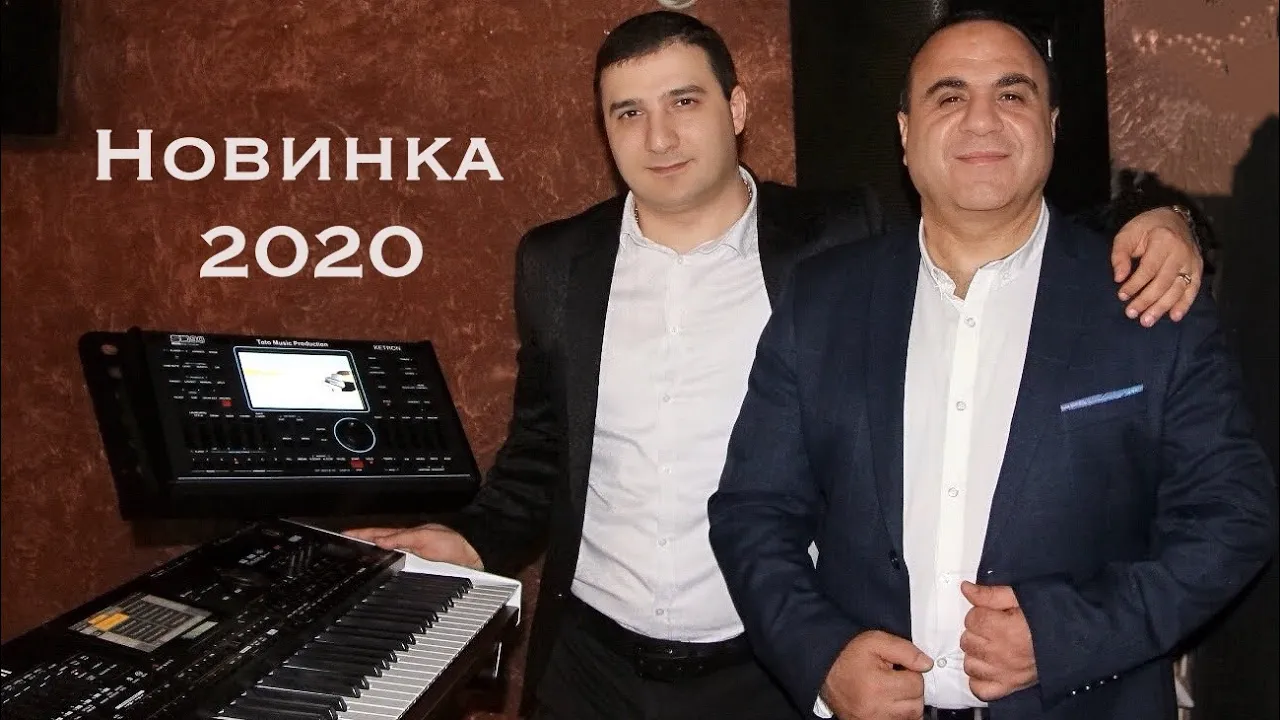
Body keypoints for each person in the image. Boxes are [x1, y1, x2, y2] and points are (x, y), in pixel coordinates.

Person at [346, 11, 1205, 720]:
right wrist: (471, 538)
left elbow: (993, 208)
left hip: (768, 668)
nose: (659, 135)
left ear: (737, 107)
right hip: (589, 667)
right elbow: (543, 452)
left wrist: (1167, 218)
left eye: (684, 100)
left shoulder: (834, 240)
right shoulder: (557, 263)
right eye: (628, 112)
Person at [707, 10, 1277, 720]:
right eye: (949, 96)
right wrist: (820, 656)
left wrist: (1070, 635)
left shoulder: (1148, 297)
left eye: (1012, 94)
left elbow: (1233, 516)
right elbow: (753, 511)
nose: (982, 119)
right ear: (906, 134)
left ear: (1053, 126)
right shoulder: (822, 301)